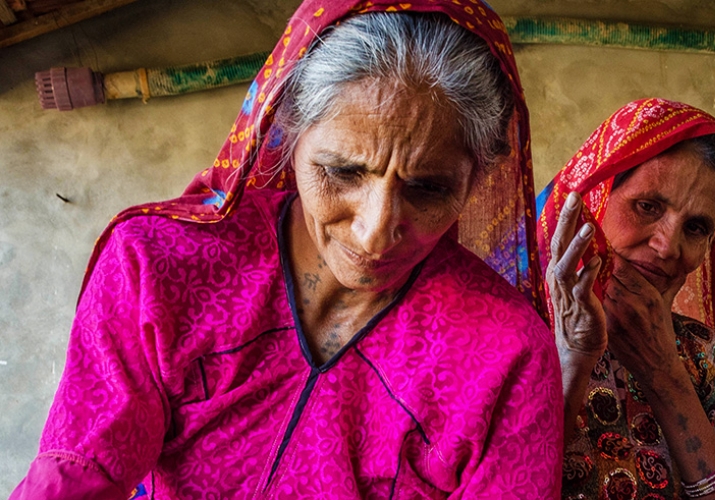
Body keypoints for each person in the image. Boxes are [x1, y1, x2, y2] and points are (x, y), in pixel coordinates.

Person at [11, 1, 561, 498]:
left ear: (479, 176)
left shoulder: (506, 354)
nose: (374, 233)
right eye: (343, 172)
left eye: (429, 189)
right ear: (288, 131)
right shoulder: (158, 264)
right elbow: (78, 476)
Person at [539, 98, 715, 500]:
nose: (668, 247)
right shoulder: (514, 331)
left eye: (696, 227)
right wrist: (574, 358)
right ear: (595, 200)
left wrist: (664, 373)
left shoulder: (704, 356)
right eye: (647, 207)